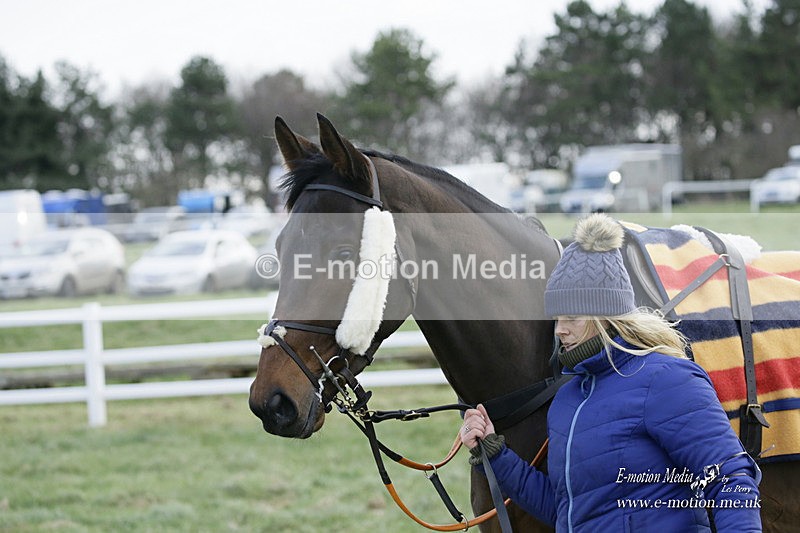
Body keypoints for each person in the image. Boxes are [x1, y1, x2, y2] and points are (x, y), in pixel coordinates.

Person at [461, 213, 762, 532]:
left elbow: (731, 480)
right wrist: (494, 453)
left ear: (606, 316)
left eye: (572, 317)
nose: (560, 330)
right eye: (557, 317)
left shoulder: (666, 379)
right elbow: (567, 511)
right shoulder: (567, 400)